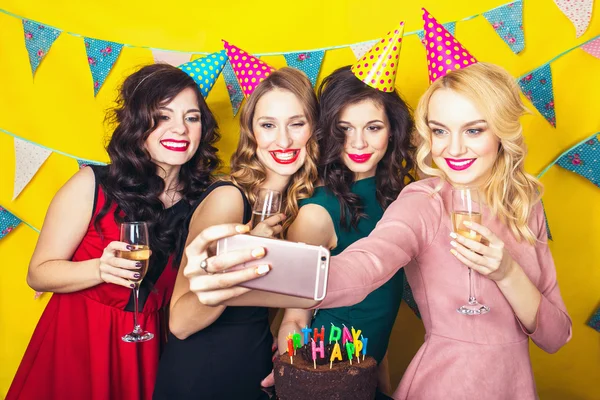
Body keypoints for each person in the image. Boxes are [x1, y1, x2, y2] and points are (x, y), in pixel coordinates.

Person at [177, 60, 573, 399]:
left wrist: (506, 272)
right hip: (440, 382)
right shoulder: (422, 200)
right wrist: (238, 275)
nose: (453, 148)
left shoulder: (526, 204)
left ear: (501, 131)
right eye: (439, 131)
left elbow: (555, 337)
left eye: (473, 130)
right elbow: (364, 267)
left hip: (515, 385)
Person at [7, 63, 222, 400]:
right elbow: (38, 274)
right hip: (77, 347)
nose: (180, 129)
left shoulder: (208, 202)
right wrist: (99, 269)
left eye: (191, 117)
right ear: (138, 124)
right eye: (163, 116)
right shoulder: (90, 184)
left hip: (151, 352)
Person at [152, 42, 320, 400]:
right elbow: (179, 322)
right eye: (268, 125)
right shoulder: (229, 198)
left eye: (297, 123)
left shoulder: (301, 207)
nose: (284, 139)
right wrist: (247, 254)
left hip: (255, 370)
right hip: (202, 375)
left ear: (313, 130)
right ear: (251, 133)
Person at [277, 63, 415, 394]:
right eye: (345, 128)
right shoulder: (317, 214)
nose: (358, 142)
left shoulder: (400, 199)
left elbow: (376, 311)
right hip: (324, 377)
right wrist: (299, 384)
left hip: (366, 376)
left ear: (392, 130)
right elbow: (294, 319)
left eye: (373, 127)